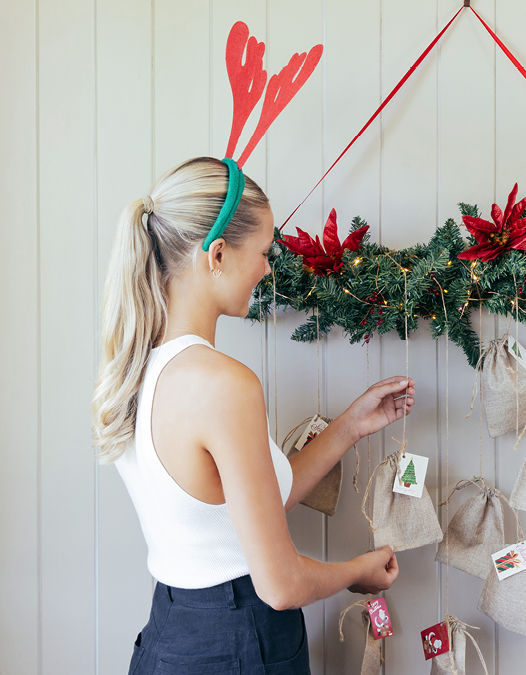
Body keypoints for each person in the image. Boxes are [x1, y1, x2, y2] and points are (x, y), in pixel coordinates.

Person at [91, 156, 413, 674]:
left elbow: (247, 506)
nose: (267, 268)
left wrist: (350, 425)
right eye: (263, 252)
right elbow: (281, 586)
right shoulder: (223, 384)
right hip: (240, 642)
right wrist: (358, 571)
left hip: (170, 636)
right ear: (217, 254)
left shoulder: (133, 369)